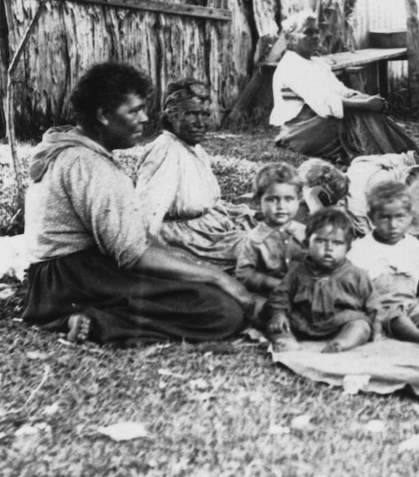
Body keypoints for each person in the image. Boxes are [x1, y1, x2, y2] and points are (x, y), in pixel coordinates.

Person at [22, 62, 252, 346]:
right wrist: (218, 277)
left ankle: (82, 315)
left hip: (54, 279)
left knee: (194, 282)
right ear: (104, 115)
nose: (145, 118)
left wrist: (192, 263)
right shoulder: (89, 164)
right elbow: (134, 254)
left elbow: (138, 237)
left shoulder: (72, 147)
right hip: (74, 277)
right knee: (222, 310)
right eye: (134, 111)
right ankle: (96, 321)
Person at [271, 10, 418, 164]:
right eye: (308, 32)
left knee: (363, 108)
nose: (315, 37)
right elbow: (322, 101)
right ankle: (388, 154)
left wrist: (360, 98)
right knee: (360, 114)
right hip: (301, 130)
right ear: (291, 38)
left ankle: (393, 152)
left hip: (321, 120)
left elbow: (339, 89)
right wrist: (365, 104)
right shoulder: (291, 66)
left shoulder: (317, 63)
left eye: (316, 32)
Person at [136, 78, 254, 269]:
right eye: (191, 114)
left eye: (205, 114)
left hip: (208, 227)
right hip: (188, 239)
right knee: (265, 247)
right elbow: (148, 215)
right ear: (171, 116)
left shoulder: (192, 147)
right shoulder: (165, 151)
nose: (200, 122)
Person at [347, 181, 419, 350]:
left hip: (409, 302)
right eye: (385, 218)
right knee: (397, 319)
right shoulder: (361, 248)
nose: (393, 225)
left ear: (410, 216)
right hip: (380, 307)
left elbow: (414, 279)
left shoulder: (412, 244)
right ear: (372, 218)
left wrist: (413, 302)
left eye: (400, 217)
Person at [266, 207, 377, 353]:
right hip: (302, 322)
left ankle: (341, 344)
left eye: (337, 243)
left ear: (348, 247)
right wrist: (278, 314)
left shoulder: (357, 275)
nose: (328, 248)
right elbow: (281, 296)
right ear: (307, 244)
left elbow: (373, 305)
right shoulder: (297, 272)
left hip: (340, 323)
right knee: (275, 325)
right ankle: (287, 341)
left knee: (361, 326)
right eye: (320, 241)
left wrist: (375, 326)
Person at [235, 163, 306, 295]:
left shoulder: (305, 233)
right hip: (271, 294)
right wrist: (274, 283)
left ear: (298, 200)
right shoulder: (255, 240)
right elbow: (244, 274)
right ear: (257, 201)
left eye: (289, 199)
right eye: (272, 200)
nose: (281, 206)